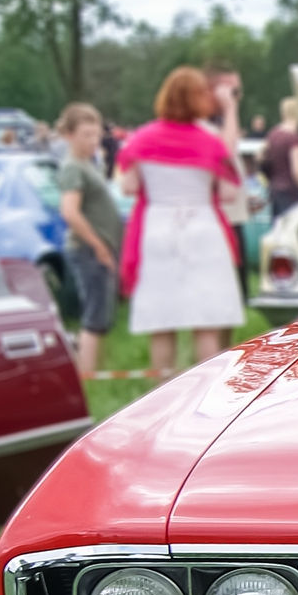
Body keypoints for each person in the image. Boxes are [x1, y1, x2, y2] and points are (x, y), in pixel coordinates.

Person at [117, 66, 244, 374]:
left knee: (162, 321)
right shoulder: (210, 143)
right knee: (207, 322)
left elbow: (128, 186)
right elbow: (229, 192)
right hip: (202, 227)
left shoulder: (141, 139)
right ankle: (207, 394)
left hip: (158, 227)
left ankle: (162, 397)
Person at [55, 103, 123, 377]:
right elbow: (70, 212)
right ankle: (88, 373)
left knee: (102, 312)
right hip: (88, 249)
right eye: (85, 134)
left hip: (101, 247)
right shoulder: (73, 167)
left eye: (95, 134)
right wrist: (98, 245)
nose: (92, 141)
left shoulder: (89, 164)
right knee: (94, 314)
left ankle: (97, 368)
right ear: (69, 135)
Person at [204, 61, 250, 306]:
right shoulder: (206, 125)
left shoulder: (222, 122)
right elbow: (225, 151)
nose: (236, 98)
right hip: (220, 215)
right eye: (232, 91)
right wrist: (230, 109)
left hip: (233, 210)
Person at [260, 97, 298, 218]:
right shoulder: (293, 138)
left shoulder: (273, 134)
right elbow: (297, 171)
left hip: (274, 191)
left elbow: (259, 156)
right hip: (290, 193)